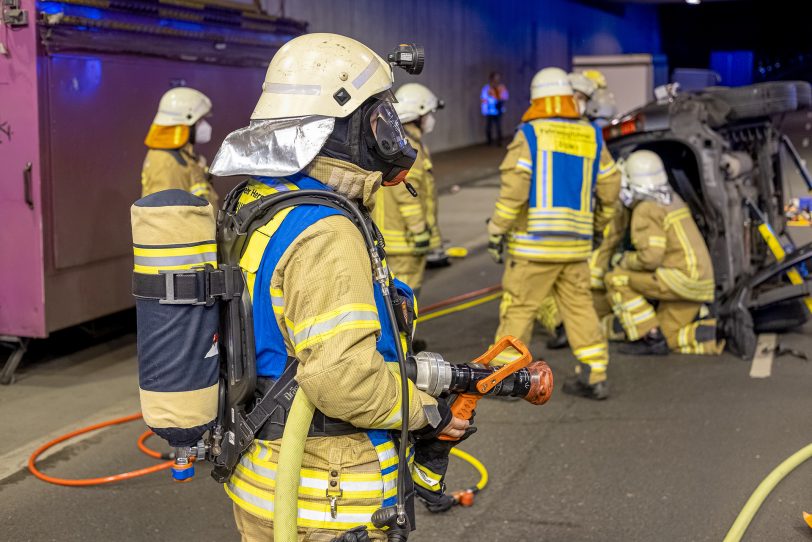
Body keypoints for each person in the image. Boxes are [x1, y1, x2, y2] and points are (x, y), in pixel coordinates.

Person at [207, 33, 469, 541]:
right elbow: (343, 380)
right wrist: (427, 413)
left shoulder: (258, 201)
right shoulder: (325, 230)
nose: (388, 132)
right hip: (327, 494)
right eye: (378, 117)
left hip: (262, 477)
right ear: (341, 128)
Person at [487, 67, 620, 400]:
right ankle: (594, 374)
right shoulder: (592, 135)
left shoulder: (530, 134)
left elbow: (515, 189)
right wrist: (598, 226)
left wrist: (496, 230)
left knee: (519, 309)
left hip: (534, 248)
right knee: (579, 308)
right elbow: (610, 186)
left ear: (537, 100)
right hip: (575, 248)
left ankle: (507, 378)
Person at [604, 150, 724, 355]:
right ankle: (714, 334)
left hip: (680, 281)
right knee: (667, 337)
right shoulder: (672, 199)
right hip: (698, 282)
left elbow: (650, 258)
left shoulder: (646, 209)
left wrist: (624, 260)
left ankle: (647, 334)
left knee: (615, 279)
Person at [373, 82, 443, 294]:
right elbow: (407, 194)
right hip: (405, 244)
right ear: (419, 114)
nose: (432, 119)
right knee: (404, 305)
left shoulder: (392, 143)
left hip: (387, 238)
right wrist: (419, 230)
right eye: (430, 113)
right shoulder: (410, 151)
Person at [141, 87, 218, 206]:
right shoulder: (166, 162)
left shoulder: (183, 155)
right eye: (200, 121)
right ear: (185, 123)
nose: (205, 126)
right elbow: (167, 216)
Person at [481, 72, 509, 146]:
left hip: (498, 110)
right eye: (495, 78)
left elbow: (505, 96)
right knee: (488, 127)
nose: (496, 80)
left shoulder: (501, 87)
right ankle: (489, 142)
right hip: (489, 111)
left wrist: (500, 98)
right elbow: (484, 99)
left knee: (498, 127)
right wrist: (484, 109)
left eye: (497, 78)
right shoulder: (486, 88)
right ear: (491, 79)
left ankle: (499, 141)